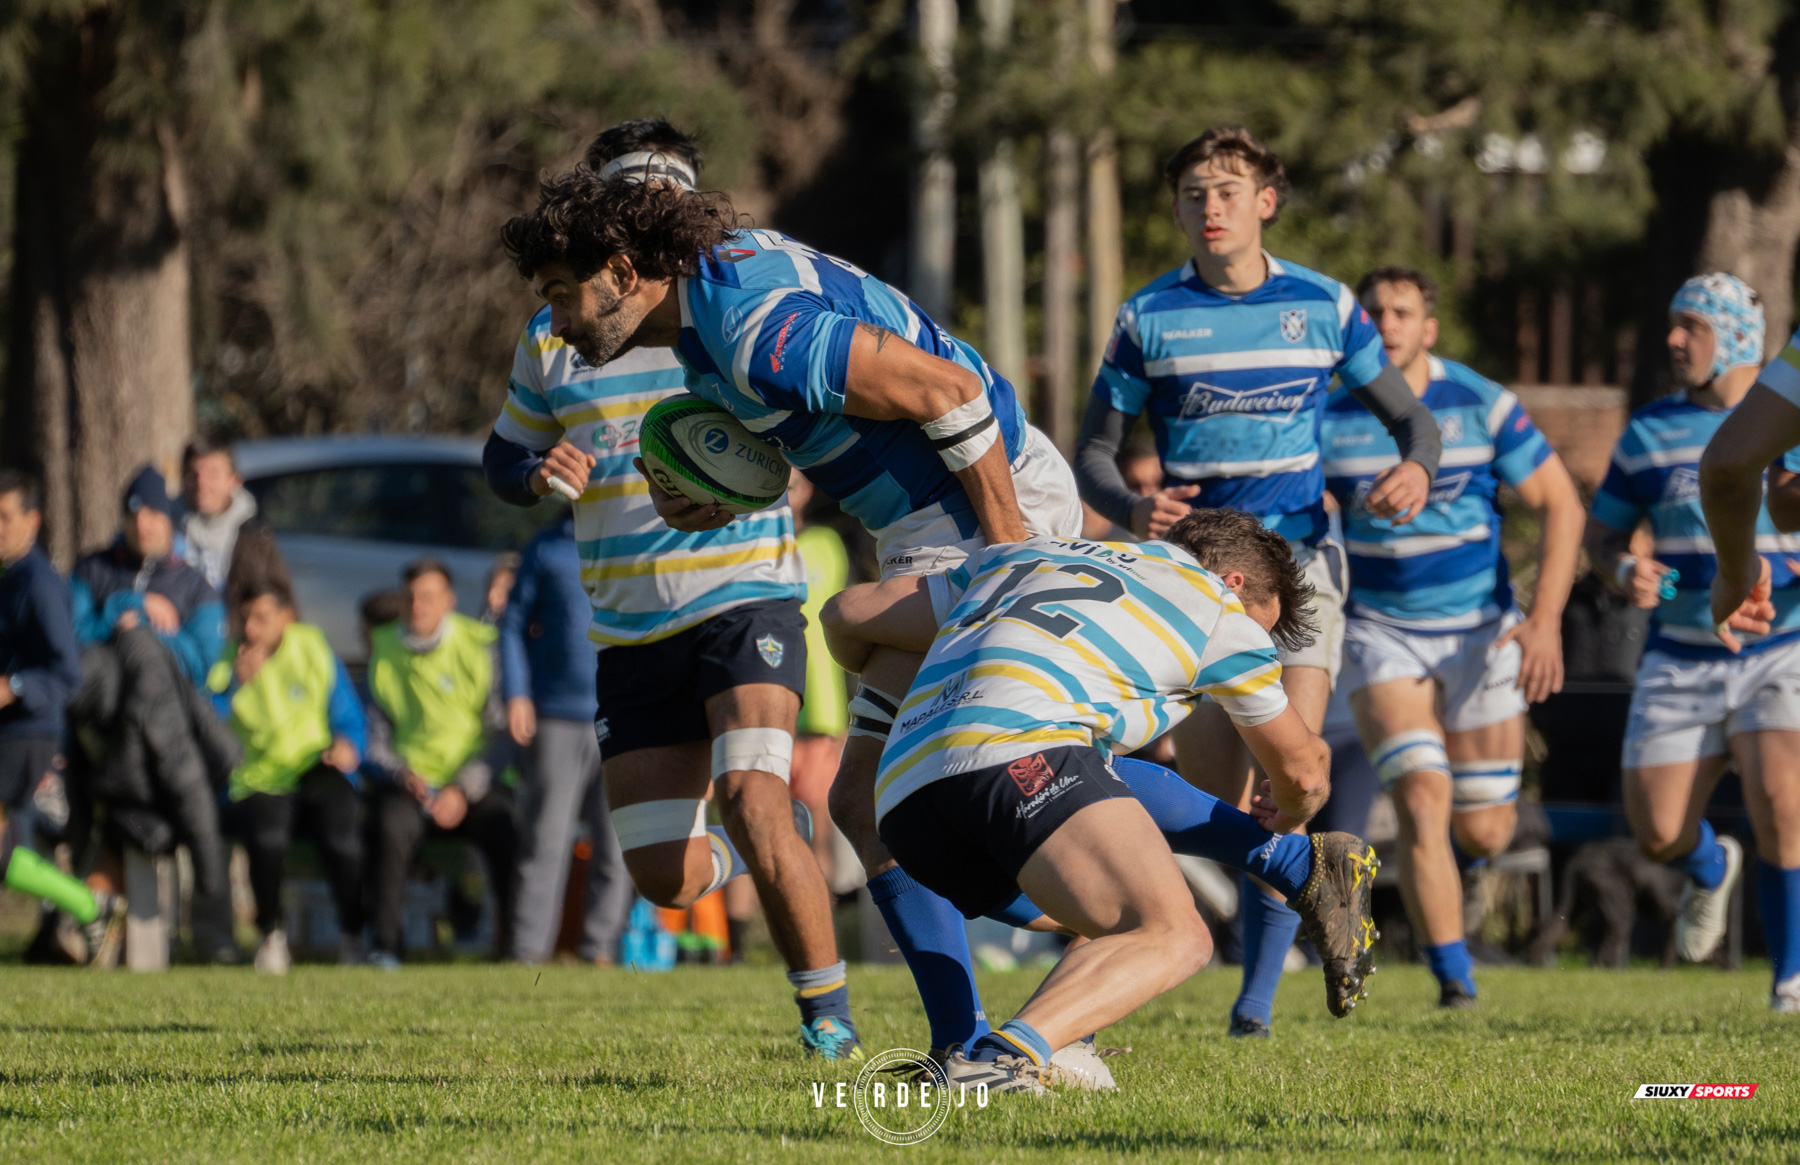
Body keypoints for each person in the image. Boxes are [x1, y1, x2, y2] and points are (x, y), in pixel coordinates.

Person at [485, 120, 856, 1057]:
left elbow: (824, 403)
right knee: (664, 878)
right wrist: (534, 475)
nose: (655, 217)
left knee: (752, 793)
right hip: (627, 630)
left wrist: (798, 465)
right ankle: (770, 840)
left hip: (744, 598)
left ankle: (831, 1026)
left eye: (670, 200)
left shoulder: (730, 307)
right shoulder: (556, 328)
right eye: (632, 199)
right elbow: (501, 451)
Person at [1072, 127, 1440, 1036]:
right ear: (1176, 209)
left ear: (1266, 201)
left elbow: (1413, 423)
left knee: (1297, 774)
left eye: (1230, 189)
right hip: (1197, 582)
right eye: (1196, 191)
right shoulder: (1148, 316)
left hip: (1304, 567)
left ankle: (1255, 1004)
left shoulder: (1323, 304)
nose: (1213, 205)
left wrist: (1418, 469)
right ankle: (1295, 903)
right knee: (1212, 799)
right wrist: (1129, 507)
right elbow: (1093, 455)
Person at [840, 510, 1369, 1091]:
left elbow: (848, 612)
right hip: (1021, 759)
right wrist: (1292, 812)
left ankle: (999, 1044)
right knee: (1175, 935)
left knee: (1101, 914)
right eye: (1262, 629)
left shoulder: (1024, 554)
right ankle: (997, 1060)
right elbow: (1303, 769)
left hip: (905, 800)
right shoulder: (1215, 606)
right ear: (1236, 583)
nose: (1258, 642)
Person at [1322, 267, 1584, 1010]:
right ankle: (1455, 981)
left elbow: (1561, 505)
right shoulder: (1325, 410)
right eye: (1373, 311)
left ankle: (1463, 884)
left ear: (1428, 327)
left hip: (1481, 633)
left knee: (1488, 828)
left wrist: (1545, 621)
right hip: (1380, 634)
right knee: (1421, 796)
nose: (1387, 322)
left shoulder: (1482, 402)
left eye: (1402, 310)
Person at [1587, 273, 1800, 1011]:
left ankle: (1790, 980)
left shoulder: (1787, 421)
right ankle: (1712, 868)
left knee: (1783, 801)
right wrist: (1629, 571)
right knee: (1656, 833)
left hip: (1780, 646)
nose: (1674, 340)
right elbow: (1604, 538)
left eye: (1692, 326)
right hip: (1678, 652)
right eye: (1672, 325)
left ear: (1740, 334)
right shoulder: (1649, 430)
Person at [363, 558, 518, 967]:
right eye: (411, 597)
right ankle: (386, 946)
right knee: (389, 826)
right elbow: (375, 738)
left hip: (472, 783)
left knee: (505, 825)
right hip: (412, 785)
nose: (418, 606)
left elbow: (502, 735)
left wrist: (462, 788)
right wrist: (401, 773)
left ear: (449, 601)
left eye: (428, 597)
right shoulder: (385, 648)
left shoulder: (480, 644)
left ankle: (514, 946)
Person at [210, 577, 368, 973]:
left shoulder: (313, 648)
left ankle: (354, 935)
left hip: (315, 766)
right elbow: (208, 724)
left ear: (287, 617)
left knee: (342, 835)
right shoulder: (229, 661)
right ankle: (270, 935)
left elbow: (349, 717)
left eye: (261, 618)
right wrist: (234, 686)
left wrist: (349, 745)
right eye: (245, 618)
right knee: (268, 835)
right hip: (258, 775)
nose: (251, 629)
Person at [0, 469, 123, 963]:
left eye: (5, 517)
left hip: (28, 735)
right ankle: (85, 908)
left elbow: (66, 672)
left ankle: (85, 908)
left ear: (34, 521)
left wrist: (15, 687)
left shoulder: (41, 583)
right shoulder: (9, 579)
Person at [500, 513, 632, 965]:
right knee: (544, 841)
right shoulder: (546, 547)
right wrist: (516, 692)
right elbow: (513, 622)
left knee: (617, 844)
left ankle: (600, 949)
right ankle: (527, 952)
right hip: (555, 714)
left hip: (624, 715)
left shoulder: (635, 535)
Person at [72, 466, 225, 690]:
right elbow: (70, 638)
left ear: (168, 520)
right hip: (101, 702)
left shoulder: (196, 587)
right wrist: (127, 607)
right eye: (133, 516)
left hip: (166, 709)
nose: (141, 525)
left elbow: (201, 670)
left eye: (152, 515)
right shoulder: (93, 569)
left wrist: (146, 630)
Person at [180, 438, 259, 592]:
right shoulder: (164, 523)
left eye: (212, 474)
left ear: (234, 481)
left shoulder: (253, 533)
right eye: (193, 473)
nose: (201, 483)